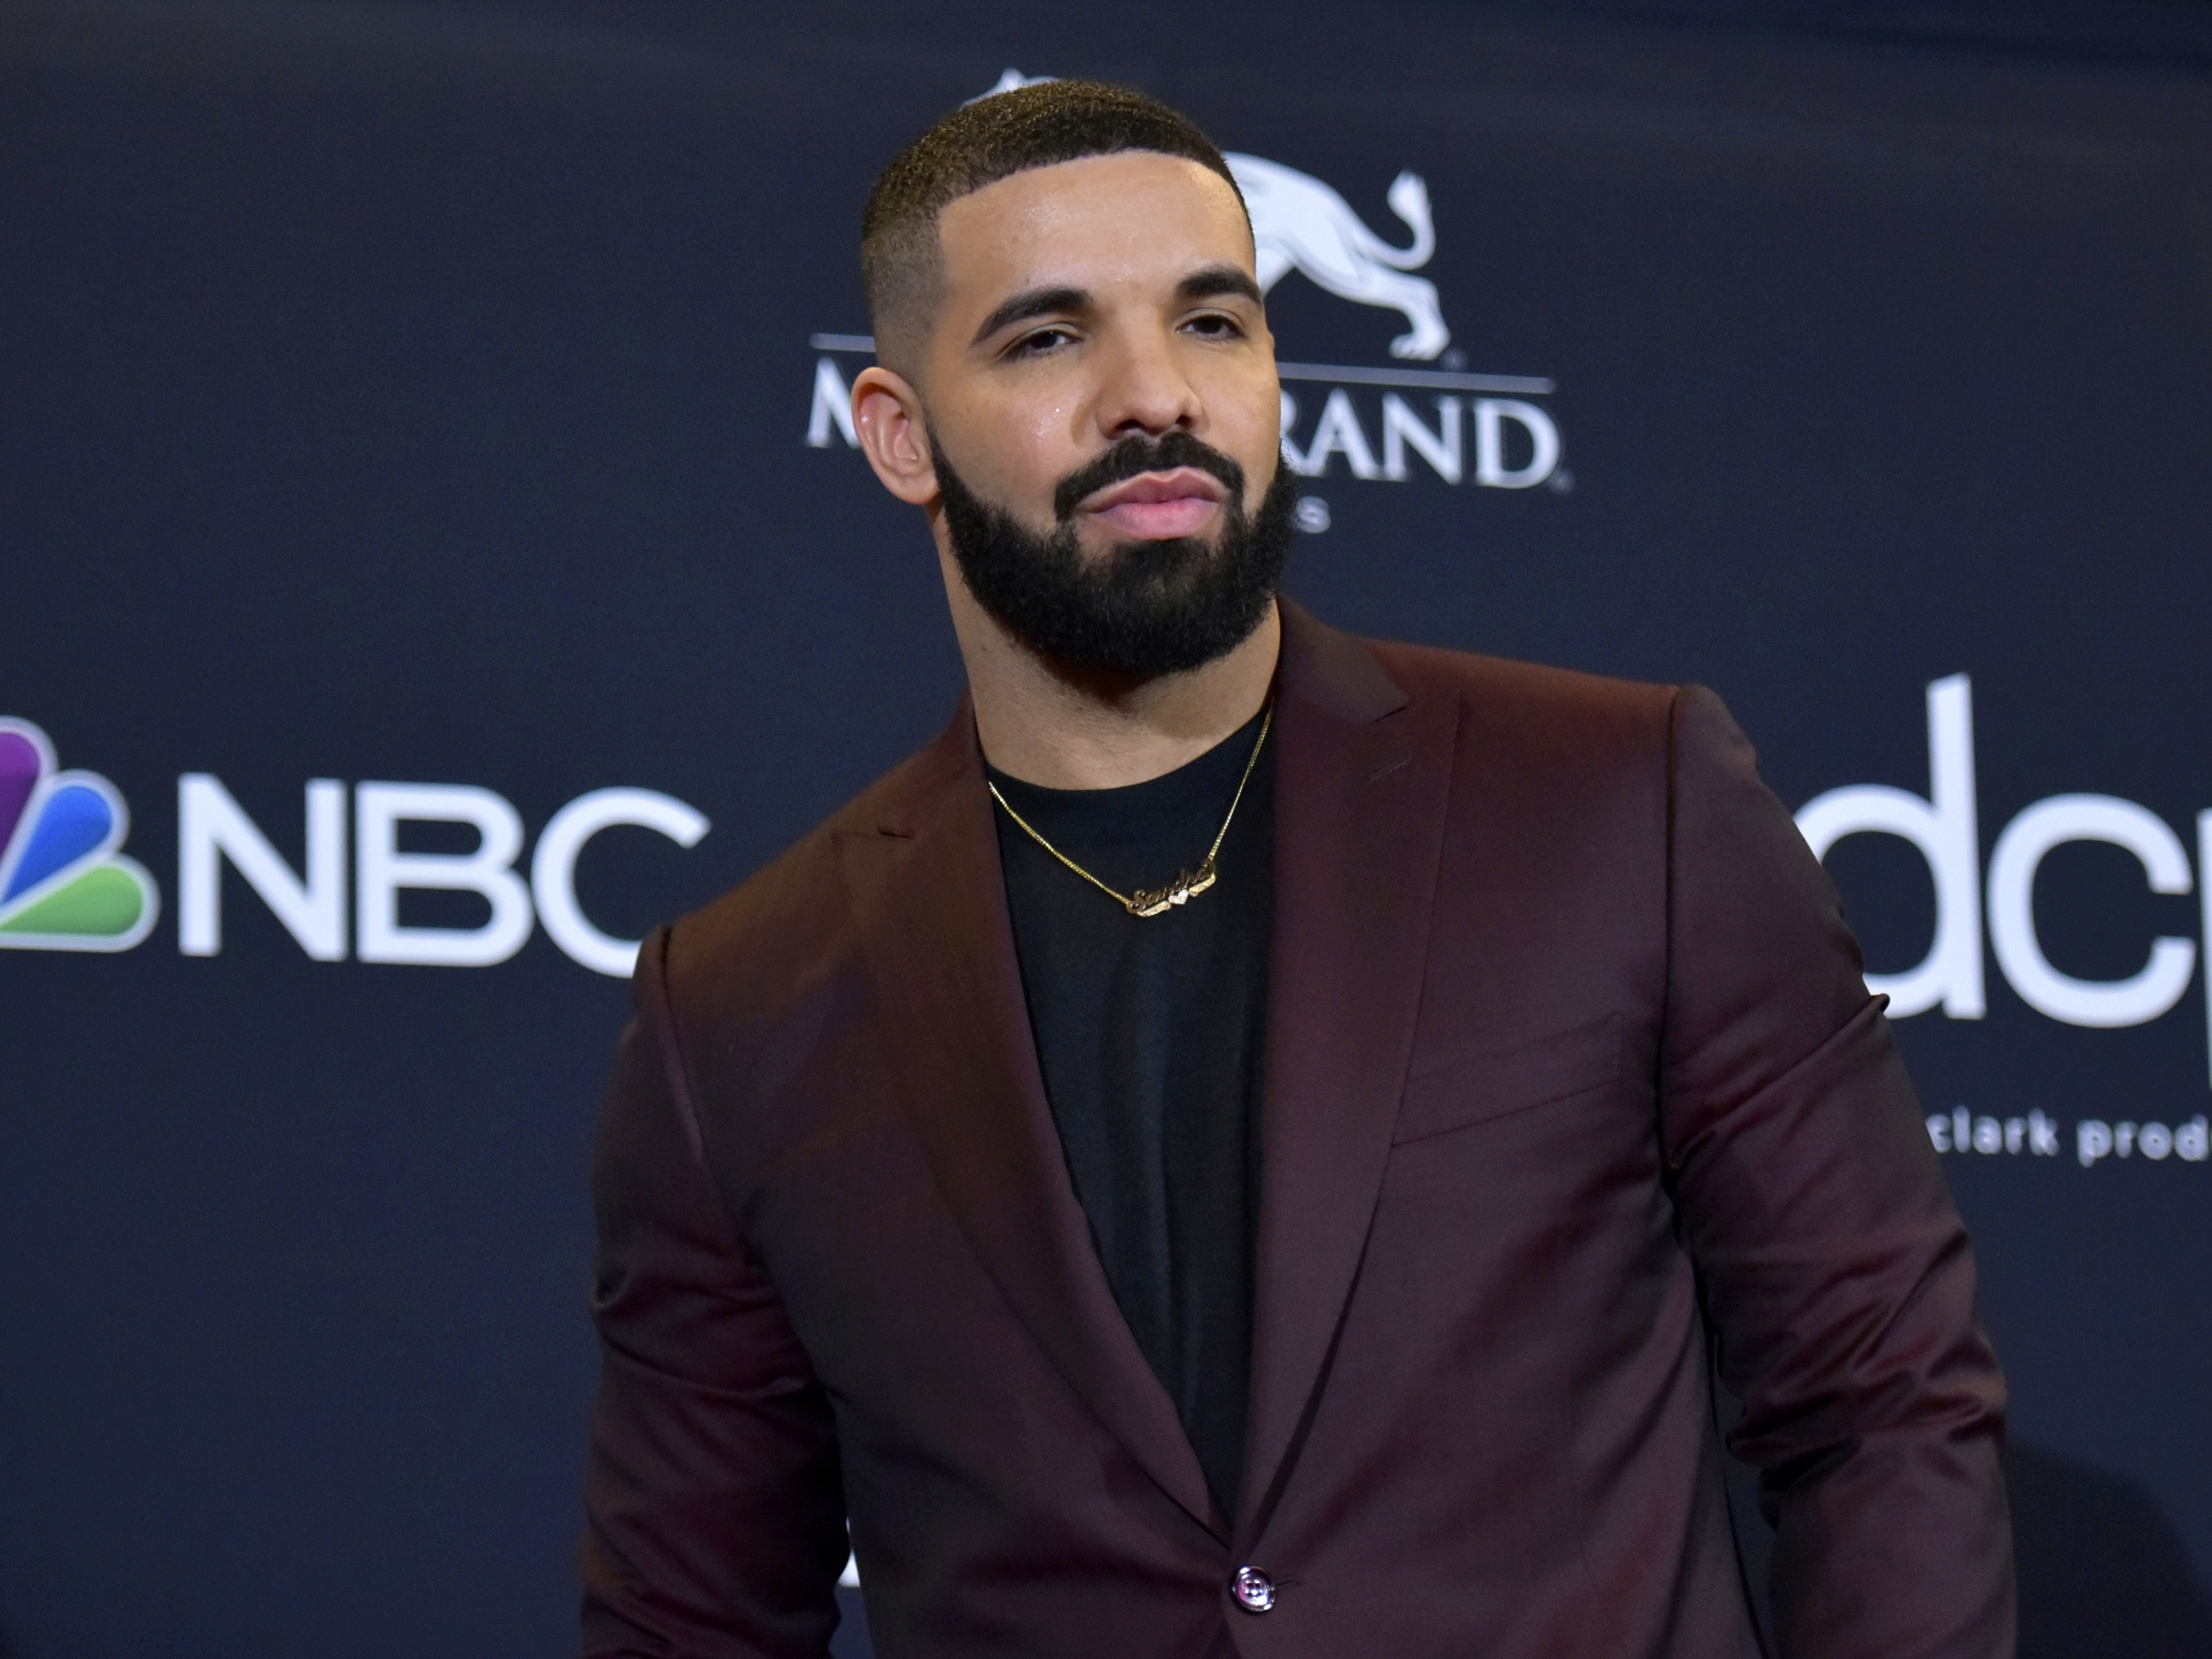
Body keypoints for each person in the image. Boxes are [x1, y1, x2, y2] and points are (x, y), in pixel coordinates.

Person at [580, 79, 2013, 1659]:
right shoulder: (739, 1009)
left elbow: (1879, 1408)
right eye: (1048, 339)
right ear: (898, 436)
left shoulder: (1621, 805)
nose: (1155, 396)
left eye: (1212, 322)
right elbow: (690, 1618)